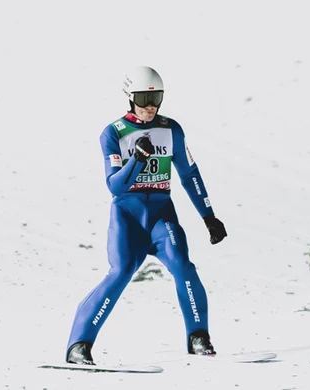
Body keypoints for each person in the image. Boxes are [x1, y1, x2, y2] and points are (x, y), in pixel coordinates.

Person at [64, 65, 228, 365]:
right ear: (129, 97)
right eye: (142, 98)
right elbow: (114, 184)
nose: (150, 106)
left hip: (161, 215)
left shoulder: (171, 129)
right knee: (121, 272)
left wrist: (209, 215)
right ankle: (79, 344)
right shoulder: (113, 133)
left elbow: (189, 174)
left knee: (183, 264)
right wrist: (137, 160)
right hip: (127, 215)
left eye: (156, 98)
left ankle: (198, 335)